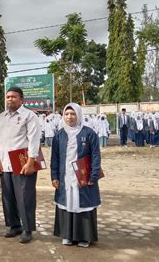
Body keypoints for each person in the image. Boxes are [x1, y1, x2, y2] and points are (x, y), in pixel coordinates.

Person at [0, 86, 42, 244]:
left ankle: (27, 229)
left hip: (22, 162)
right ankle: (14, 226)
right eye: (8, 97)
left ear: (21, 99)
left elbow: (34, 139)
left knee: (25, 197)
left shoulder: (29, 116)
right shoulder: (1, 117)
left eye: (13, 97)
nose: (10, 99)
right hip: (5, 163)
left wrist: (30, 162)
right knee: (8, 196)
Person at [51, 103, 101, 248]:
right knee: (68, 203)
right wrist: (54, 176)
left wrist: (94, 175)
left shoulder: (89, 133)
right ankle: (67, 235)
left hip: (83, 177)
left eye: (73, 114)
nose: (69, 117)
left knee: (83, 204)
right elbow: (55, 157)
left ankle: (84, 237)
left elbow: (96, 156)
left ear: (78, 115)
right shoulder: (59, 135)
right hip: (65, 176)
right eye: (67, 114)